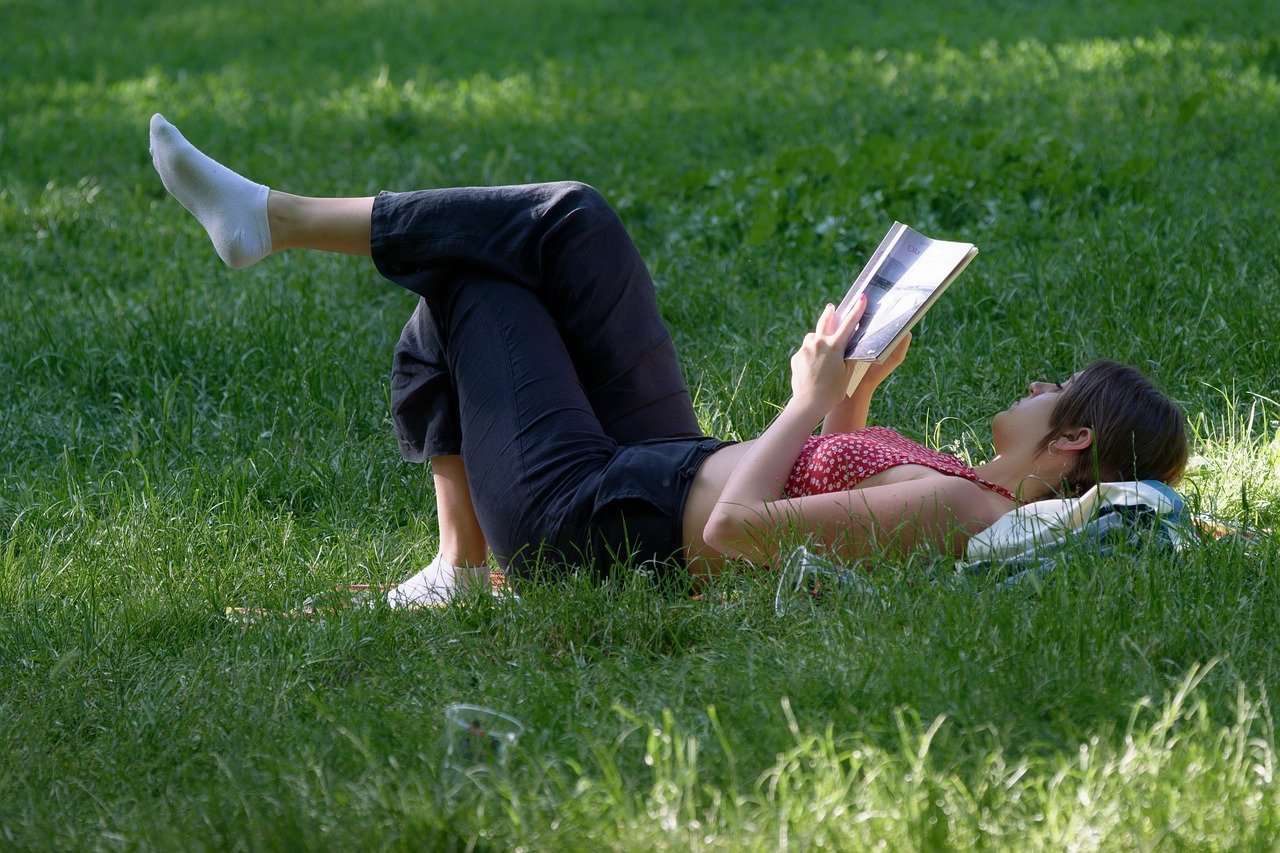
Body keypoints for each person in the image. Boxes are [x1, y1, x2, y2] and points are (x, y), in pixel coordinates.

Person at [147, 114, 1190, 607]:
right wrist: (855, 395)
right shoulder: (965, 490)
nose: (1026, 386)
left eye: (1047, 390)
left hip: (596, 514)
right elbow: (826, 500)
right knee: (570, 224)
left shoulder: (969, 514)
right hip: (659, 457)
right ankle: (458, 566)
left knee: (476, 281)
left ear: (1072, 435)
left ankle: (271, 222)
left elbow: (742, 531)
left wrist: (801, 400)